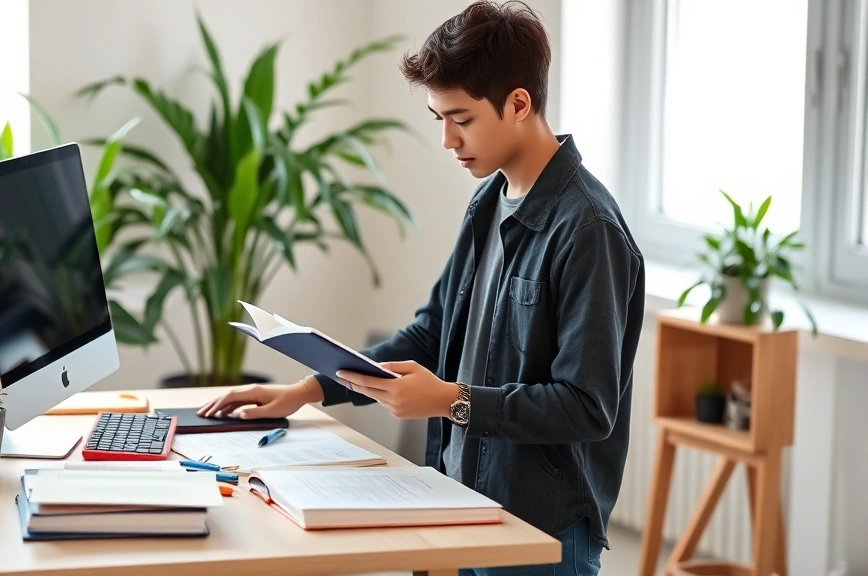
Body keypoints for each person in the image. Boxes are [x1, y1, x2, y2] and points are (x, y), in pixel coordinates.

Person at [199, 1, 645, 573]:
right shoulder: (489, 201)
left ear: (518, 103)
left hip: (541, 528)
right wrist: (306, 391)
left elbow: (587, 407)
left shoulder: (588, 229)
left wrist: (450, 400)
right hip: (463, 501)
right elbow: (433, 332)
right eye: (439, 119)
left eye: (460, 119)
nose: (447, 141)